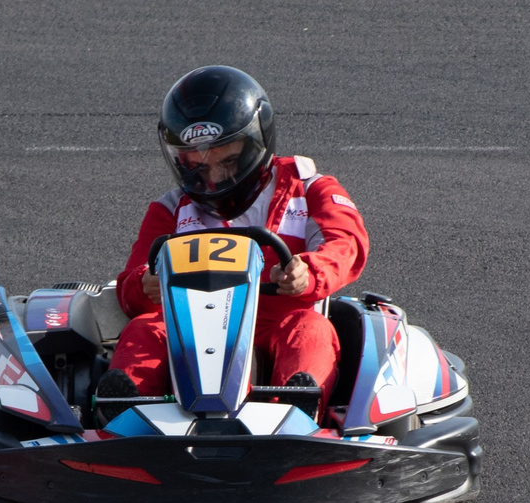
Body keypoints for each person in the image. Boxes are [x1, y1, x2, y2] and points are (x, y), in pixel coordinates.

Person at [97, 65, 368, 411]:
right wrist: (144, 285)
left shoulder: (310, 189)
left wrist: (308, 272)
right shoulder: (170, 210)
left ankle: (297, 410)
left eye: (227, 161)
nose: (214, 178)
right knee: (146, 328)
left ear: (256, 143)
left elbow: (347, 243)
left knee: (310, 329)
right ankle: (123, 413)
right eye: (198, 166)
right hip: (191, 330)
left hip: (277, 321)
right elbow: (131, 283)